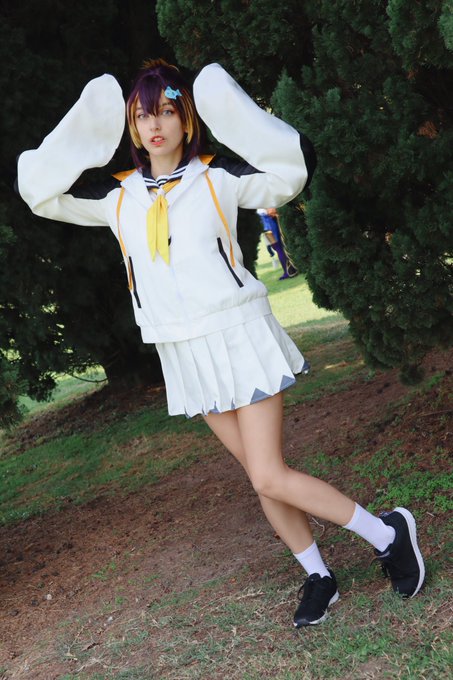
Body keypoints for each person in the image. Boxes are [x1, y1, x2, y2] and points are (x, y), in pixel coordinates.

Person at [16, 59, 425, 627]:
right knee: (260, 476)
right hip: (183, 350)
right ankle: (319, 575)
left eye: (166, 111)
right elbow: (38, 191)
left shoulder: (218, 177)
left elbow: (292, 169)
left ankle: (388, 534)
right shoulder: (115, 195)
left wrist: (220, 98)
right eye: (142, 115)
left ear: (186, 119)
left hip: (238, 336)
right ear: (132, 127)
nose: (154, 125)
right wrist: (96, 113)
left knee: (268, 473)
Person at [257, 207, 298, 279]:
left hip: (266, 222)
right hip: (267, 222)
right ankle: (289, 270)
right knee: (278, 247)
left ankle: (288, 271)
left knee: (278, 248)